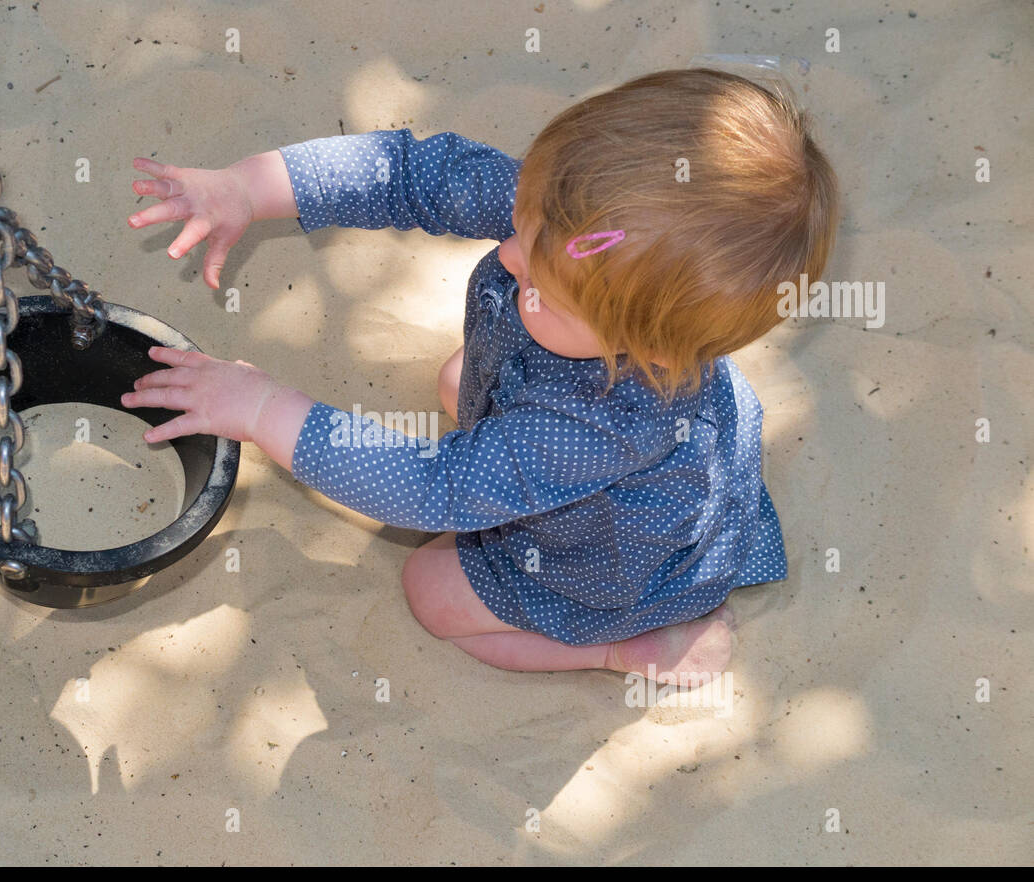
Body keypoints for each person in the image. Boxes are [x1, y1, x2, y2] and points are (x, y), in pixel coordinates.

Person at [122, 69, 838, 685]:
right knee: (457, 376)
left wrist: (261, 408)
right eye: (524, 221)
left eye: (547, 292)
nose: (509, 252)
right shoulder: (571, 217)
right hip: (619, 462)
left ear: (649, 350)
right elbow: (410, 176)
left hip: (605, 563)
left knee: (430, 589)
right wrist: (249, 187)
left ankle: (625, 649)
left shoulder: (595, 423)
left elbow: (431, 488)